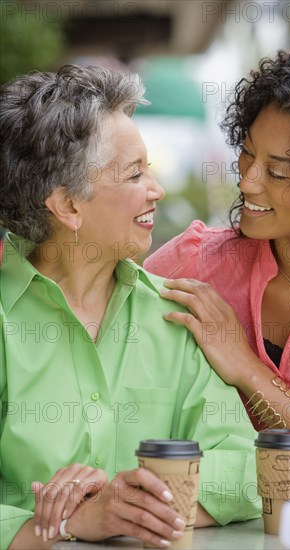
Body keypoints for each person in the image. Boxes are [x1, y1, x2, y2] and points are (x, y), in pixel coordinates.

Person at [0, 65, 262, 550]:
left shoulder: (174, 315)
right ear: (68, 206)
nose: (156, 190)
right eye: (134, 173)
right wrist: (66, 524)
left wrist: (124, 500)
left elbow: (247, 468)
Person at [144, 49, 290, 505]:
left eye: (278, 172)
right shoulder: (194, 262)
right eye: (246, 155)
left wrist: (247, 369)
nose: (247, 181)